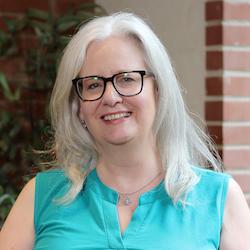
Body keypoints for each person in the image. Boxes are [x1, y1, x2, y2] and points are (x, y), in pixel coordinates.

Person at [0, 12, 249, 250]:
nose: (110, 97)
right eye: (93, 84)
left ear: (159, 91)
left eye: (127, 79)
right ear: (78, 106)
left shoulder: (219, 199)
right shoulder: (40, 196)